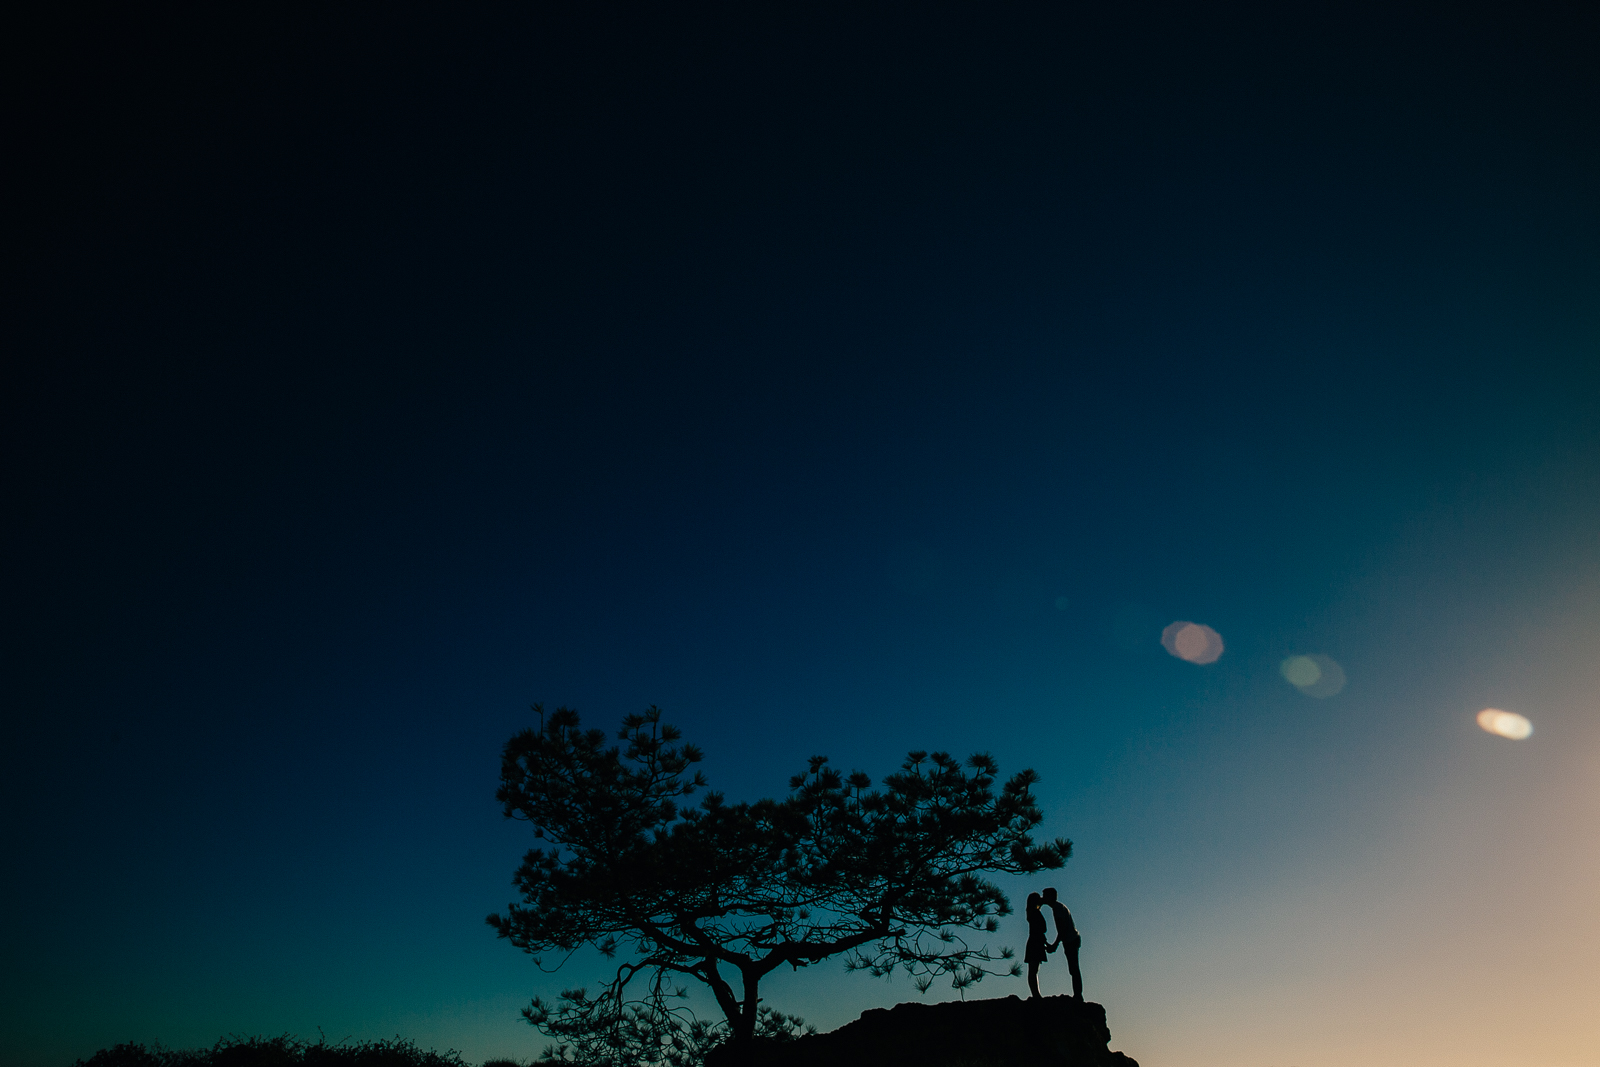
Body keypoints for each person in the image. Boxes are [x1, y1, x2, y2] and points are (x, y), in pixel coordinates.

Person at [1042, 886, 1083, 1000]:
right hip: (1071, 939)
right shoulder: (1059, 907)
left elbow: (1062, 929)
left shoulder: (1057, 909)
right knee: (1073, 968)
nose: (1043, 898)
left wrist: (1055, 945)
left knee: (1074, 968)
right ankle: (1078, 995)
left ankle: (1078, 996)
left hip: (1071, 940)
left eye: (1044, 896)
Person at [1023, 892, 1049, 999]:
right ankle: (1036, 994)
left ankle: (1036, 994)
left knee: (1033, 970)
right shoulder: (1034, 913)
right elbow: (1041, 929)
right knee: (1033, 970)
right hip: (1035, 942)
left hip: (1035, 941)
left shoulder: (1032, 912)